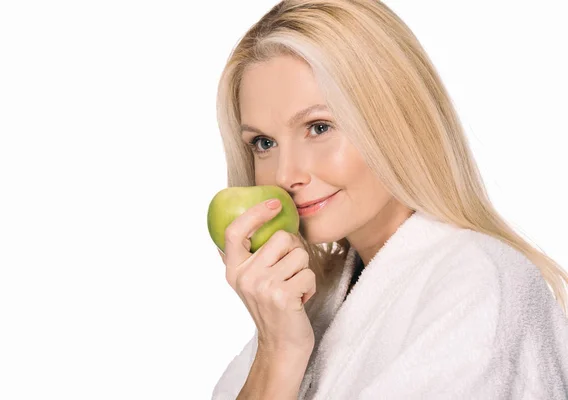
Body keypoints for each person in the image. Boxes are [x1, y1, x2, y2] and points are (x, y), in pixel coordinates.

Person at [210, 1, 568, 399]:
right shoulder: (310, 304)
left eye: (319, 127)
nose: (284, 175)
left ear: (396, 120)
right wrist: (279, 351)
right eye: (264, 143)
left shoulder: (477, 286)